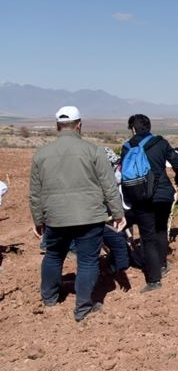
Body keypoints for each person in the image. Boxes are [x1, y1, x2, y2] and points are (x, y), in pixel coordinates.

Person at [29, 106, 126, 321]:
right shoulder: (94, 151)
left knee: (54, 255)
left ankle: (50, 299)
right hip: (89, 216)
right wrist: (118, 213)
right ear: (79, 125)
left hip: (55, 216)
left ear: (57, 126)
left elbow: (35, 193)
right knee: (88, 261)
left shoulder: (41, 154)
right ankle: (83, 309)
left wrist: (38, 220)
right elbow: (109, 186)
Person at [121, 114, 178, 292]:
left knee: (147, 237)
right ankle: (162, 265)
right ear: (149, 127)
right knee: (160, 230)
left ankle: (154, 280)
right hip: (164, 194)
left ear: (133, 129)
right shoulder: (161, 143)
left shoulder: (127, 147)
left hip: (141, 197)